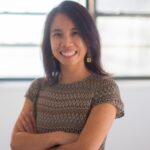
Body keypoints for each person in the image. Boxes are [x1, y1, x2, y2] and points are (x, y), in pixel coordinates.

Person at [10, 1, 124, 150]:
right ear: (48, 41)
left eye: (75, 33)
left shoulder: (105, 88)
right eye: (57, 34)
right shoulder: (37, 88)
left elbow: (85, 148)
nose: (66, 43)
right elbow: (16, 143)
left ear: (88, 38)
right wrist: (57, 137)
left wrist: (35, 142)